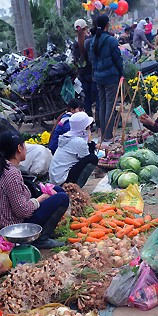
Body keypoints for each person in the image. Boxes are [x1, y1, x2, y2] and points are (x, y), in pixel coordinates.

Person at [0, 131, 69, 249]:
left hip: (9, 219)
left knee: (56, 189)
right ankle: (41, 239)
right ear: (19, 148)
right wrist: (41, 199)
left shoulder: (1, 167)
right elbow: (23, 211)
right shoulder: (12, 174)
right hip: (15, 226)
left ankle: (45, 232)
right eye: (24, 145)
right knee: (62, 198)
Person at [89, 14, 123, 142]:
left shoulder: (93, 40)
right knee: (110, 105)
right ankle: (108, 135)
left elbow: (93, 60)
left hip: (98, 77)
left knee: (102, 105)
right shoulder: (111, 40)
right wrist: (121, 73)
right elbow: (118, 59)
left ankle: (103, 134)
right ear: (107, 25)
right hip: (110, 77)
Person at [49, 112, 98, 187]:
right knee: (93, 158)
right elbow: (88, 157)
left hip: (56, 177)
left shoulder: (69, 136)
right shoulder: (79, 141)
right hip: (62, 180)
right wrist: (89, 140)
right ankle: (76, 185)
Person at [72, 19, 97, 122]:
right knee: (98, 97)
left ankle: (89, 122)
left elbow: (75, 60)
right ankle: (99, 122)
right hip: (91, 73)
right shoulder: (89, 41)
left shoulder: (74, 44)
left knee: (87, 99)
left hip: (82, 74)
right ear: (86, 28)